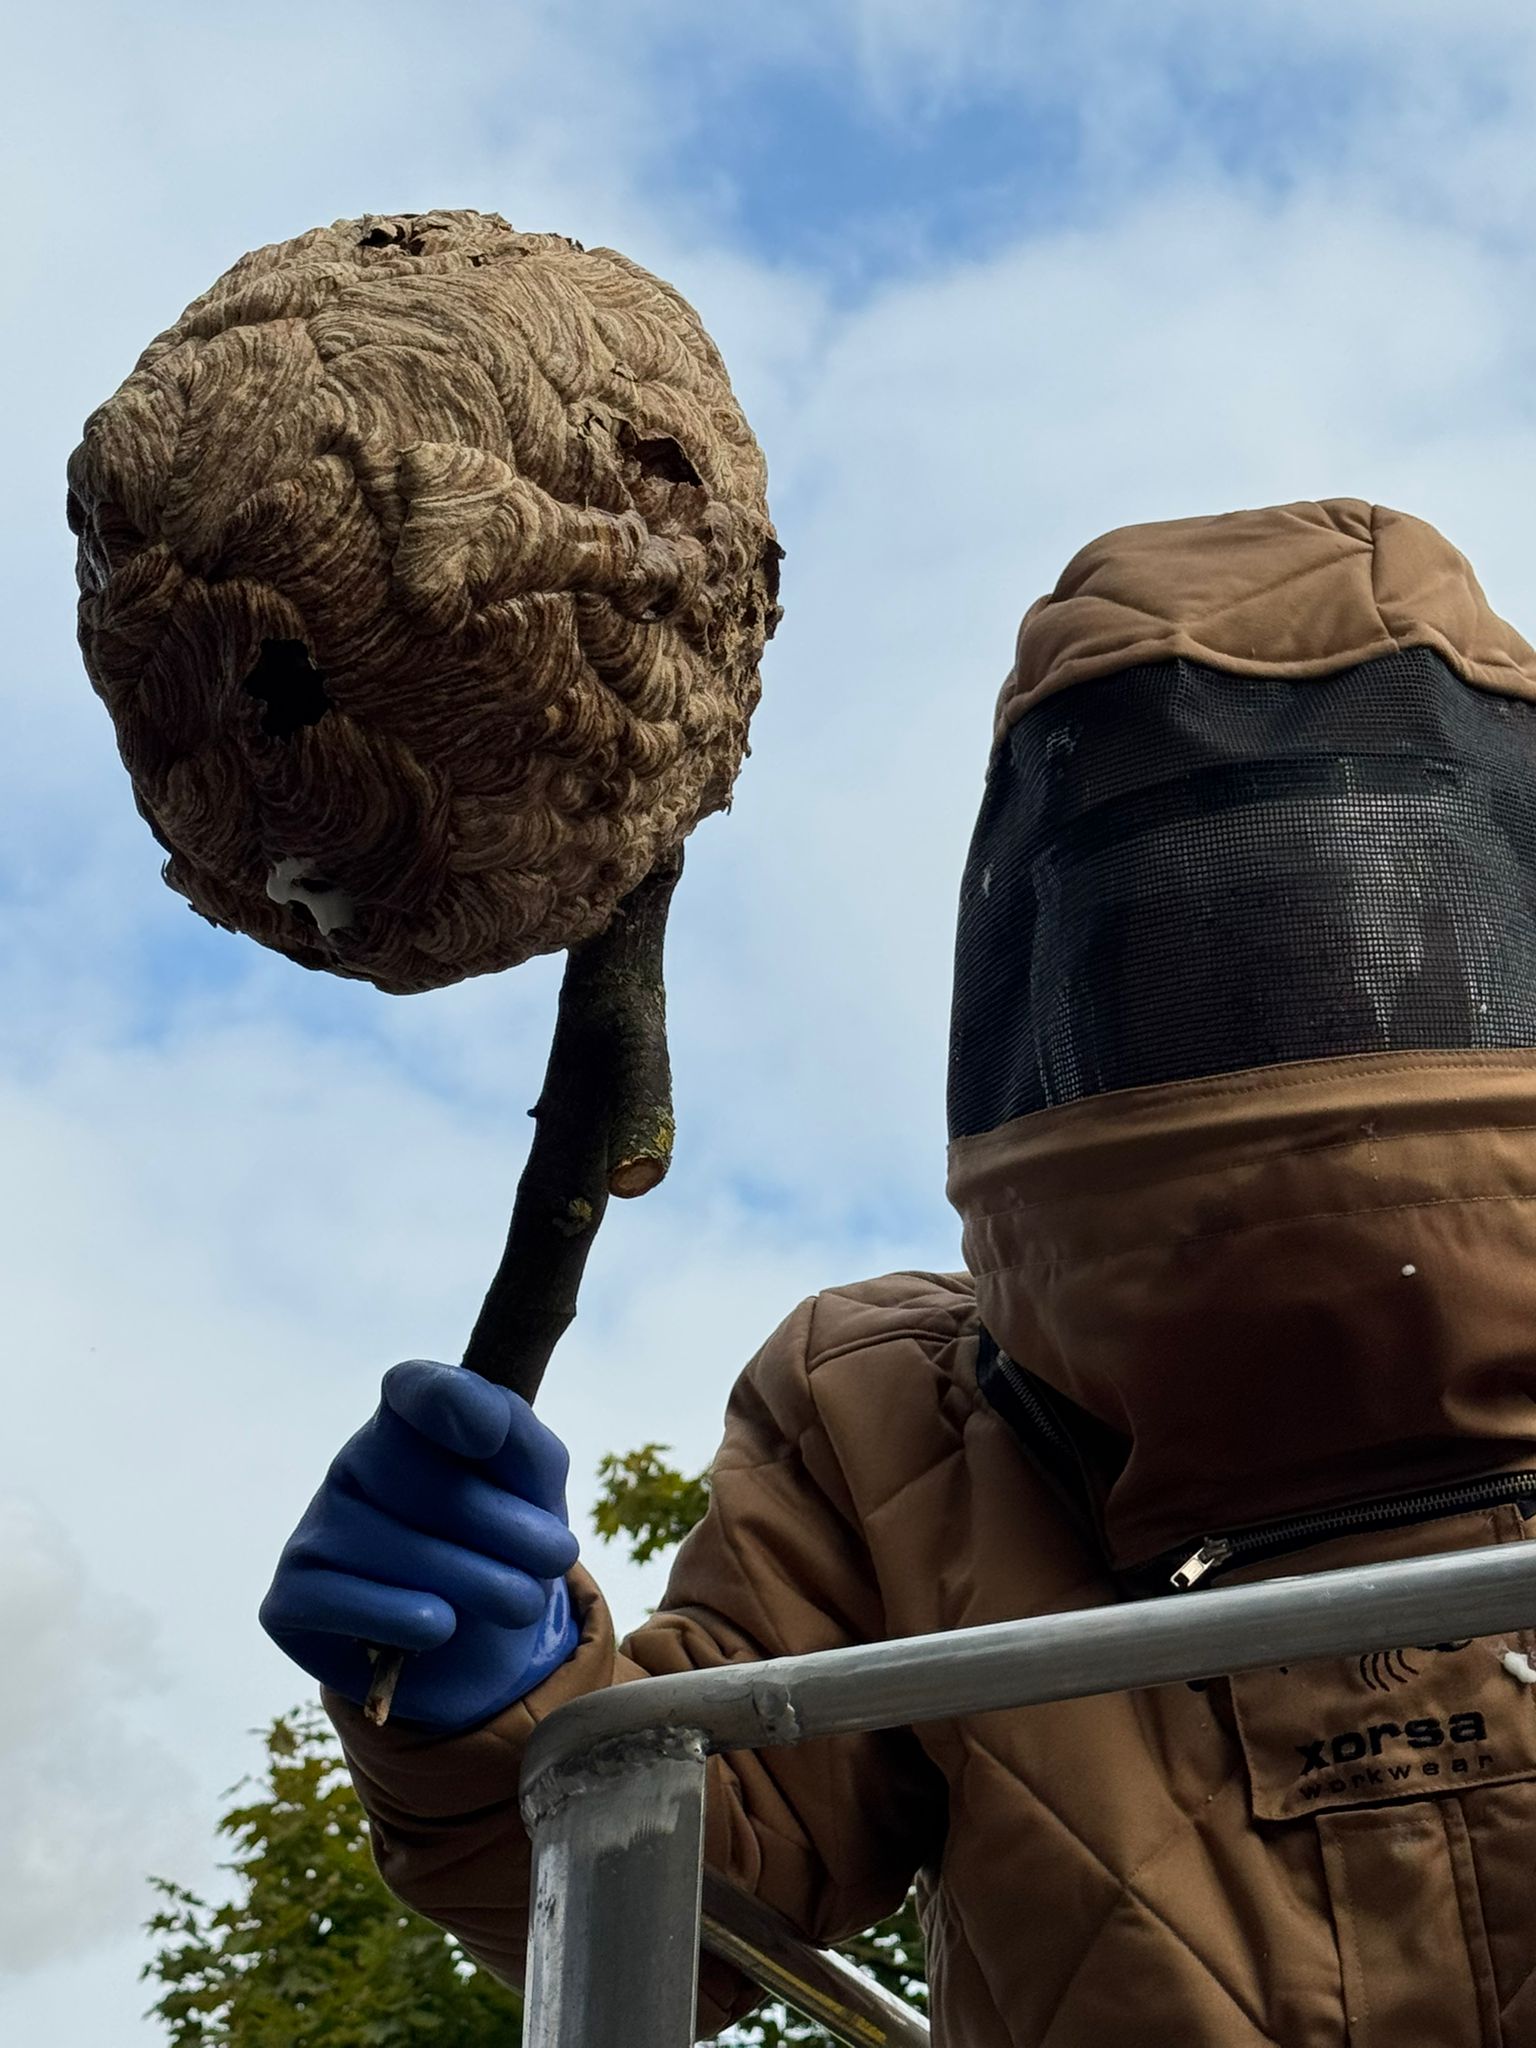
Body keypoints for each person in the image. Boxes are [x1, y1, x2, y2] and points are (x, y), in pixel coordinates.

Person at [263, 499, 1536, 2047]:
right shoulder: (884, 1417)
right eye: (1187, 902)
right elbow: (695, 1902)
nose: (1290, 949)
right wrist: (497, 1719)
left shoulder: (889, 1409)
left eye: (1370, 876)